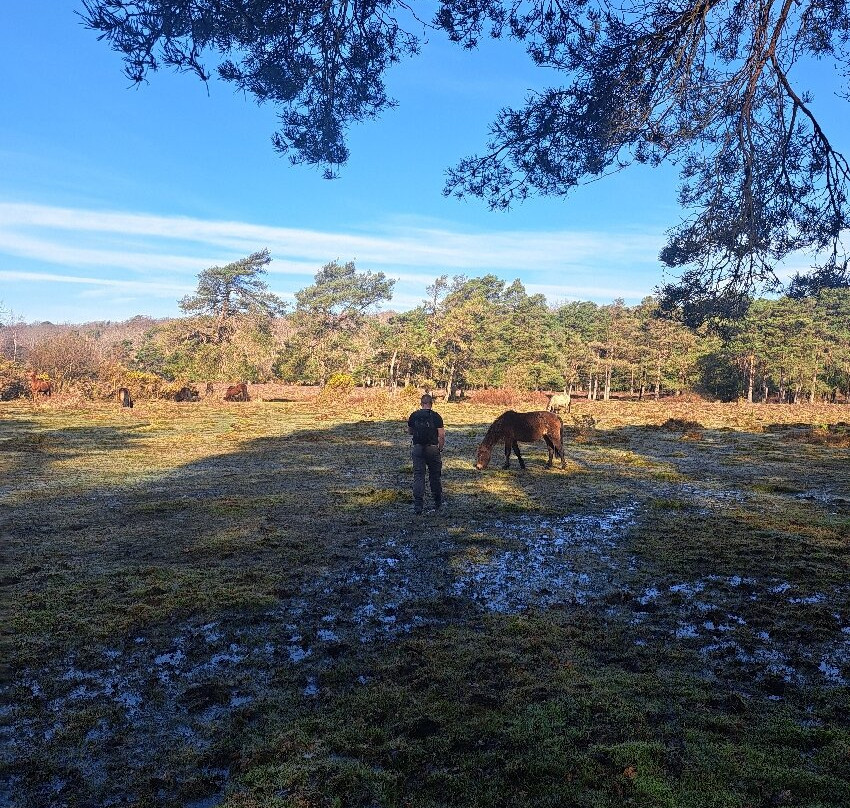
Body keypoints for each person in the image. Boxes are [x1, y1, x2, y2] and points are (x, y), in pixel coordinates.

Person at [407, 393, 445, 514]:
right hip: (433, 449)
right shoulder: (436, 416)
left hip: (418, 449)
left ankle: (418, 505)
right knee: (434, 475)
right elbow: (442, 435)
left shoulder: (414, 415)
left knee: (419, 475)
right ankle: (437, 502)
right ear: (431, 404)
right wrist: (440, 448)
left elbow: (410, 431)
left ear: (421, 403)